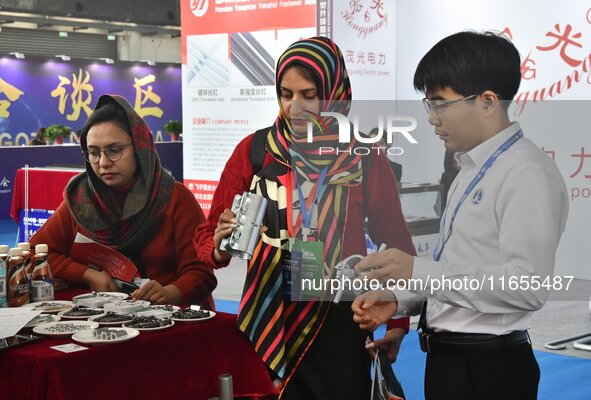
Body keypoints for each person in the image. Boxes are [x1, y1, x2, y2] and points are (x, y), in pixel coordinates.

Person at [194, 37, 415, 399]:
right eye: (286, 93)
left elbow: (398, 244)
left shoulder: (363, 156)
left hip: (339, 316)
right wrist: (219, 246)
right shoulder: (255, 150)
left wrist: (397, 321)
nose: (295, 107)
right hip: (267, 310)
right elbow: (207, 233)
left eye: (309, 95)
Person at [352, 31, 569, 399]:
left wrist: (415, 270)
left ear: (487, 101)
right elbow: (461, 268)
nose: (433, 119)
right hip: (451, 363)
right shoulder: (468, 169)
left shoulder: (526, 173)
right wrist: (401, 300)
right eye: (429, 104)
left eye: (441, 103)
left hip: (490, 371)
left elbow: (528, 286)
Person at [30, 95, 216, 307]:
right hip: (105, 323)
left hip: (172, 321)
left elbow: (202, 274)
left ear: (139, 147)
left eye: (114, 150)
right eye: (93, 152)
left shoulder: (174, 199)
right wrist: (87, 274)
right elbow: (37, 252)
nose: (103, 162)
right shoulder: (82, 200)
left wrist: (171, 292)